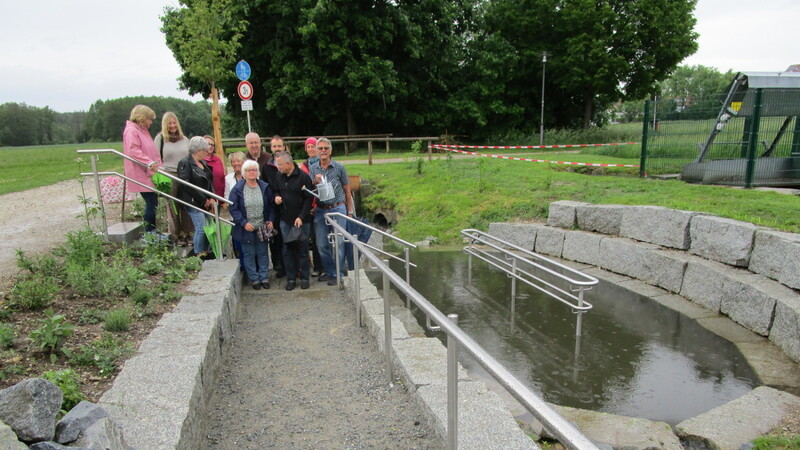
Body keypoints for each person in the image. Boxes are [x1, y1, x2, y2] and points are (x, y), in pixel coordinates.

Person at [309, 137, 355, 285]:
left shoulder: (339, 168)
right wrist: (314, 182)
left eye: (326, 148)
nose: (323, 151)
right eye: (320, 148)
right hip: (321, 209)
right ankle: (330, 271)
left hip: (338, 207)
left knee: (339, 242)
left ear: (330, 151)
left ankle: (339, 273)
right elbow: (311, 190)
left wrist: (349, 211)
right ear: (316, 151)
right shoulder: (313, 168)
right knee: (321, 243)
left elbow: (347, 190)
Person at [229, 160, 275, 290]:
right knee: (249, 254)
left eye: (254, 170)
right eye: (248, 170)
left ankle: (264, 277)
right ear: (244, 173)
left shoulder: (264, 187)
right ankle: (254, 279)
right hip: (246, 228)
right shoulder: (238, 189)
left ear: (257, 172)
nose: (251, 172)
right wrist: (243, 222)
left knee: (263, 253)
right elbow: (233, 208)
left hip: (262, 226)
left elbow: (271, 206)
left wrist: (271, 219)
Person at [273, 152, 314, 291]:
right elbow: (276, 190)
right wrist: (277, 197)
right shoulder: (278, 176)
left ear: (288, 164)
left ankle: (304, 277)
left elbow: (309, 199)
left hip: (302, 220)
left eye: (279, 164)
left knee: (302, 249)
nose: (277, 167)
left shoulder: (303, 177)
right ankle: (290, 279)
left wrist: (301, 217)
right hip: (285, 219)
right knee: (287, 250)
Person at [122, 104, 163, 236]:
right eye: (149, 119)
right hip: (140, 173)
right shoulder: (132, 131)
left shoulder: (142, 130)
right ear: (142, 118)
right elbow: (133, 150)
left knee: (153, 201)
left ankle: (152, 231)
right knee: (151, 202)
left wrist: (158, 165)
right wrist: (149, 162)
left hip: (148, 172)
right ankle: (150, 232)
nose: (151, 122)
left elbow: (151, 150)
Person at [153, 111, 192, 245]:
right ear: (165, 124)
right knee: (172, 207)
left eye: (174, 122)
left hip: (184, 174)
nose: (172, 125)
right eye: (169, 123)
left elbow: (189, 157)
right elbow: (156, 157)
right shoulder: (160, 139)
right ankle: (175, 234)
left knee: (186, 205)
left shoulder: (185, 139)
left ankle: (188, 233)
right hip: (168, 174)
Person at [177, 136, 216, 259]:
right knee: (201, 227)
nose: (207, 152)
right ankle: (198, 253)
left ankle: (207, 250)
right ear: (198, 150)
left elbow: (209, 182)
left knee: (209, 227)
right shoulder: (185, 163)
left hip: (205, 200)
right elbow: (187, 185)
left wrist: (210, 197)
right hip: (193, 201)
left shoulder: (203, 163)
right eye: (205, 150)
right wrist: (203, 200)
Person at [261, 135, 286, 278]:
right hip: (273, 207)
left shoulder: (289, 163)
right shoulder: (267, 167)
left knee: (287, 237)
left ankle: (289, 265)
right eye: (274, 146)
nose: (277, 149)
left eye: (279, 146)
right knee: (274, 237)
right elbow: (265, 187)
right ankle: (277, 264)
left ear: (283, 147)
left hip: (287, 206)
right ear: (271, 148)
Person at [301, 137, 323, 276]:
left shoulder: (322, 164)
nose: (310, 149)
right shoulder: (304, 165)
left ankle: (321, 266)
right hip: (308, 204)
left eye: (313, 146)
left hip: (320, 203)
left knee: (319, 238)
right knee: (310, 238)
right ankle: (312, 265)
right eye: (308, 147)